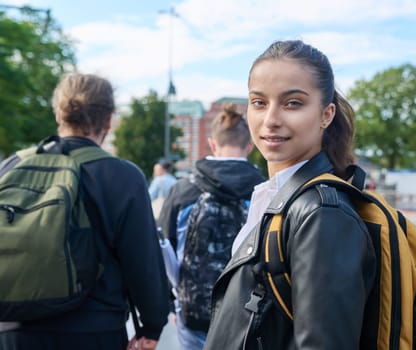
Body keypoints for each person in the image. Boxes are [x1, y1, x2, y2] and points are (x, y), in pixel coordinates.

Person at [202, 40, 377, 349]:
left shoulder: (322, 214)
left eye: (292, 103)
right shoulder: (278, 197)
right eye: (259, 102)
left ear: (326, 114)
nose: (270, 119)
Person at [0, 73, 170, 350]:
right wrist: (152, 324)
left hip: (12, 331)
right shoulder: (123, 176)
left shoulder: (11, 166)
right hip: (93, 331)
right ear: (108, 120)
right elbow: (143, 262)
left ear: (59, 114)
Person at [158, 103, 265, 350]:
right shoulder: (266, 191)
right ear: (249, 146)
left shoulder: (183, 190)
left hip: (194, 311)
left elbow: (163, 248)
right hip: (248, 315)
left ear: (212, 144)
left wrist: (171, 301)